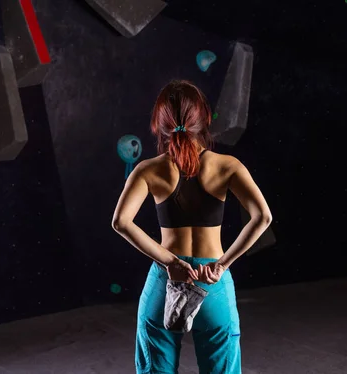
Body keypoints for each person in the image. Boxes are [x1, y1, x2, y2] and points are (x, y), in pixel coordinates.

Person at [111, 80, 272, 374]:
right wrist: (222, 265)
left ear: (160, 125)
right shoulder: (228, 165)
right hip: (211, 281)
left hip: (166, 278)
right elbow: (263, 216)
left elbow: (120, 222)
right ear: (204, 120)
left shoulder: (148, 169)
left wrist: (170, 262)